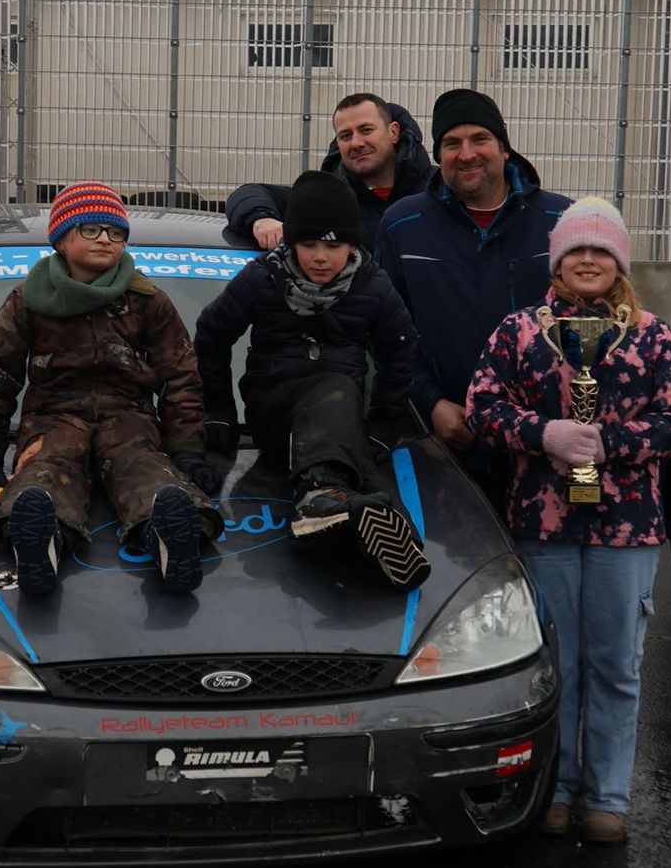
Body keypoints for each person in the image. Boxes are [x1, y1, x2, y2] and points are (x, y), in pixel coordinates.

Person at [464, 198, 671, 844]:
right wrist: (545, 434)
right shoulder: (519, 331)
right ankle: (556, 789)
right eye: (576, 251)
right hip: (543, 524)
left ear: (618, 262)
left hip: (627, 528)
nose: (587, 261)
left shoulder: (651, 334)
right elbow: (482, 405)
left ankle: (608, 797)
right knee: (555, 664)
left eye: (600, 251)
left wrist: (609, 443)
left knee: (615, 666)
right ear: (557, 262)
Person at [0, 183, 225, 598]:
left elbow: (181, 377)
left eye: (116, 231)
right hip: (52, 419)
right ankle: (43, 540)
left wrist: (187, 450)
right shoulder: (28, 299)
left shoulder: (147, 299)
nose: (105, 239)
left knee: (147, 470)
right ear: (61, 238)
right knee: (44, 474)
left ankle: (167, 536)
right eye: (91, 229)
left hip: (129, 417)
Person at [194, 171, 429, 589]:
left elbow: (402, 351)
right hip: (273, 412)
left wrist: (383, 427)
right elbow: (212, 334)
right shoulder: (263, 278)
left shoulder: (373, 286)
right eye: (309, 245)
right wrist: (219, 410)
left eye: (333, 246)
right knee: (335, 389)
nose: (321, 257)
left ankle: (388, 539)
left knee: (366, 467)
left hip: (340, 423)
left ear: (352, 245)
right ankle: (318, 495)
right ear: (291, 243)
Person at [374, 87, 571, 510]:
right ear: (438, 154)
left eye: (479, 139)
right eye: (452, 143)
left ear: (504, 148)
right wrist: (430, 403)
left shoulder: (560, 221)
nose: (466, 154)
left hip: (548, 450)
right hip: (448, 450)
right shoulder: (403, 225)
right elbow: (385, 333)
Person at [225, 93, 432, 253]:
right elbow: (248, 194)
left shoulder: (438, 189)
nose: (356, 143)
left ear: (393, 132)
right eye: (346, 135)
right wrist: (262, 220)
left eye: (366, 130)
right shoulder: (325, 197)